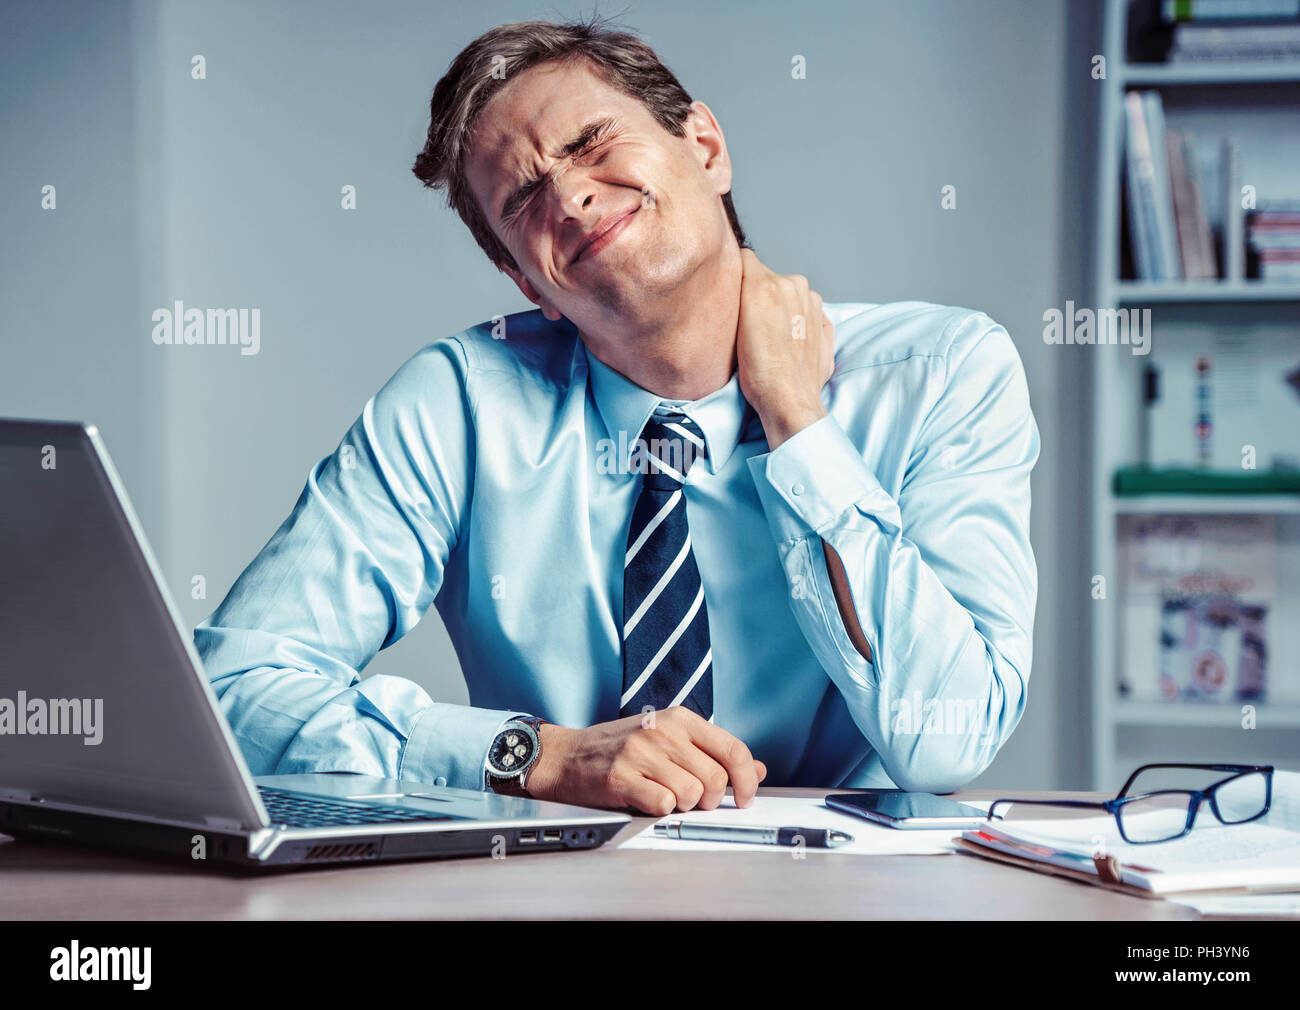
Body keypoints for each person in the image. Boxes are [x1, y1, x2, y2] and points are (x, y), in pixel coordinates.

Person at [195, 16, 1039, 816]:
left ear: (704, 147)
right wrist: (538, 757)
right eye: (524, 198)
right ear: (529, 283)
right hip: (556, 888)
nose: (569, 199)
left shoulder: (940, 373)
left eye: (591, 142)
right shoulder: (458, 403)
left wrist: (798, 424)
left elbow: (950, 739)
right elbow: (235, 694)